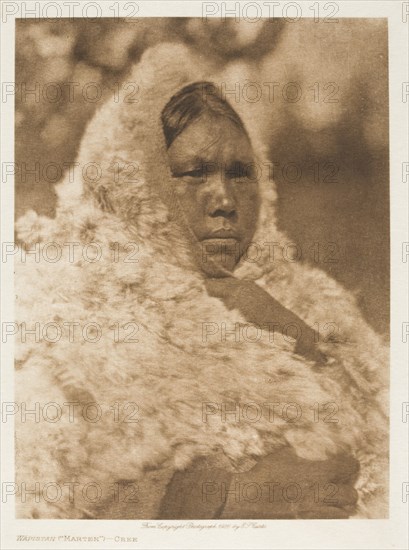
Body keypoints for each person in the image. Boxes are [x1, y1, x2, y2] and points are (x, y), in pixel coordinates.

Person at [15, 43, 388, 520]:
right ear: (131, 182)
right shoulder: (63, 320)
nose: (225, 200)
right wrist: (224, 504)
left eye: (241, 173)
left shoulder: (314, 302)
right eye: (193, 173)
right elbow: (34, 515)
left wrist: (300, 336)